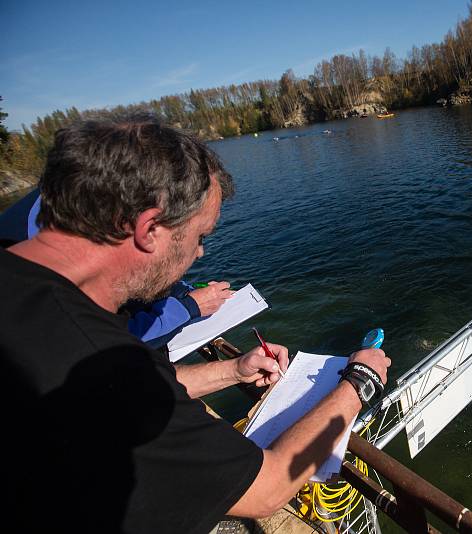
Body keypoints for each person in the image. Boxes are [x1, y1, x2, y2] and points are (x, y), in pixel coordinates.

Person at [0, 116, 391, 533]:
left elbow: (148, 386)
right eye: (200, 236)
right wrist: (359, 382)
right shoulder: (103, 371)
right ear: (149, 229)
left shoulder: (24, 282)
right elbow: (268, 487)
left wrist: (232, 370)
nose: (201, 254)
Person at [0, 188, 233, 349]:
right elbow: (112, 340)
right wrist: (190, 307)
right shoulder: (48, 276)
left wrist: (181, 291)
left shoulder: (91, 204)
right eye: (199, 237)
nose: (199, 252)